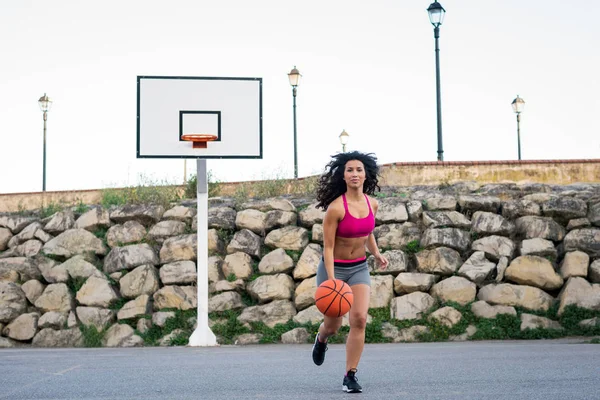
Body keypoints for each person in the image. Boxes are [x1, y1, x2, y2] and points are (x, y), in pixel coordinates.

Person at [311, 151, 389, 393]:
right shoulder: (335, 209)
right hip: (333, 269)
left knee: (359, 319)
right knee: (333, 326)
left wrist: (375, 253)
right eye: (349, 170)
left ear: (366, 174)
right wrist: (333, 282)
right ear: (343, 176)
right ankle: (321, 339)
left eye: (358, 170)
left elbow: (367, 232)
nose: (354, 174)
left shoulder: (371, 203)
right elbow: (329, 247)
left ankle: (350, 375)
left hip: (358, 268)